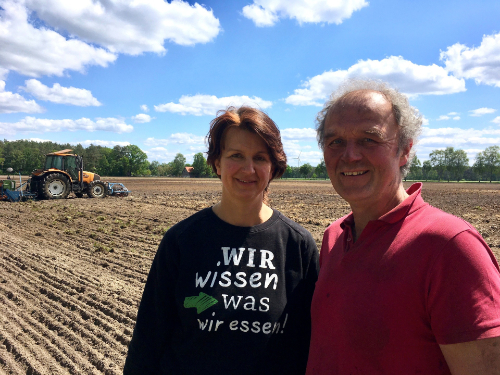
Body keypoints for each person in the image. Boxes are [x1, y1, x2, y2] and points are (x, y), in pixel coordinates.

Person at [306, 79, 500, 375]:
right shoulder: (334, 237)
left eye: (369, 139)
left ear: (405, 150)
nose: (350, 155)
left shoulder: (449, 246)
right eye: (335, 142)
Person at [124, 106, 319, 374]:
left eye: (260, 158)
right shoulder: (182, 241)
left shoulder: (297, 245)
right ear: (217, 163)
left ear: (273, 167)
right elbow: (148, 340)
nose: (248, 168)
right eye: (236, 155)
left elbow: (308, 342)